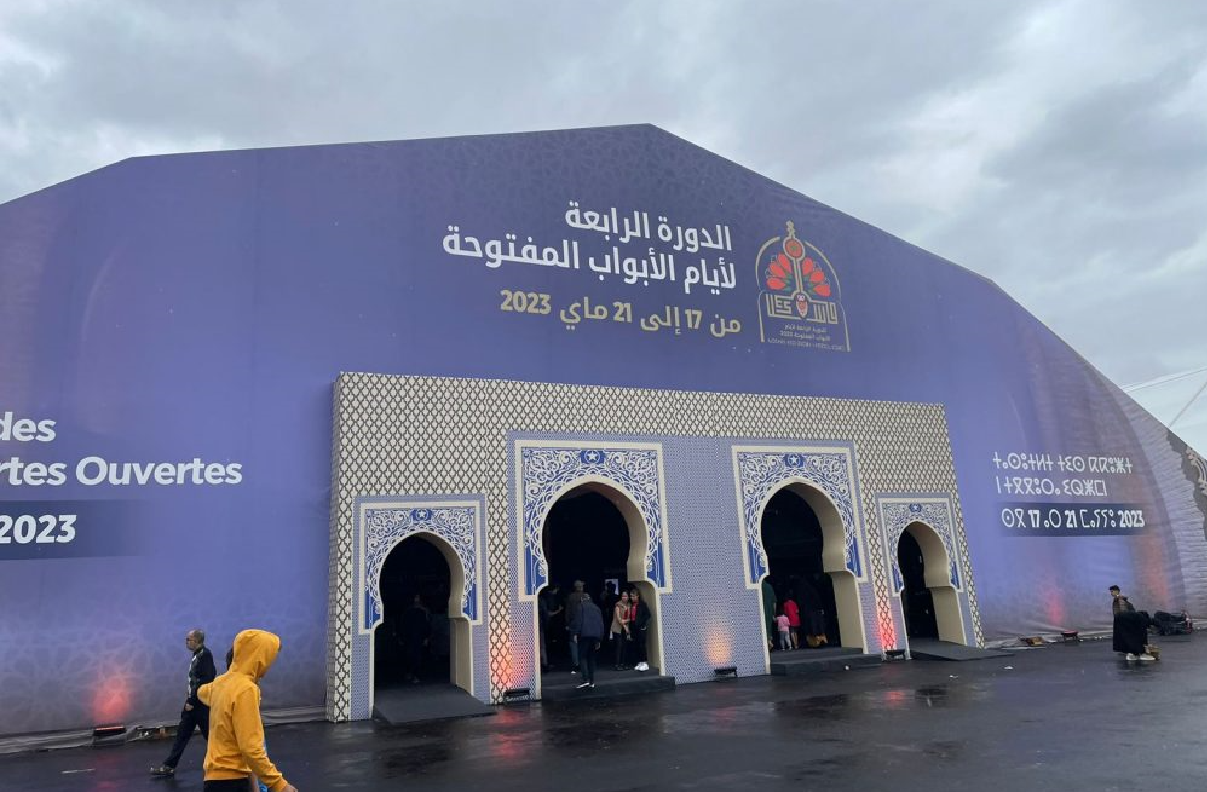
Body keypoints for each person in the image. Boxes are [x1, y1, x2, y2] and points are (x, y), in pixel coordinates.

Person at [197, 629, 297, 792]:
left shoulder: (219, 684)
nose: (269, 664)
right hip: (233, 782)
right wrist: (280, 785)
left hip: (213, 779)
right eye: (269, 657)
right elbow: (251, 749)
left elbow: (201, 692)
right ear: (259, 657)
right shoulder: (246, 689)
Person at [150, 629, 217, 778]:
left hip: (200, 705)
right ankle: (169, 766)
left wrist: (192, 701)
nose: (186, 642)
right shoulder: (197, 655)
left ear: (197, 640)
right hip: (193, 705)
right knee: (182, 735)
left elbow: (207, 679)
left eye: (188, 639)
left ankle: (227, 764)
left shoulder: (205, 655)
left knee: (212, 737)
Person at [1110, 585, 1154, 661]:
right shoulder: (1118, 599)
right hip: (1123, 620)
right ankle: (1131, 652)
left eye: (1112, 591)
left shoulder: (1120, 599)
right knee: (1125, 637)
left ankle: (1134, 652)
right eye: (1111, 591)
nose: (1111, 593)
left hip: (1124, 620)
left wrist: (1122, 618)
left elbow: (1123, 611)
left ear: (1117, 591)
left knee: (1127, 637)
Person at [575, 594, 606, 689]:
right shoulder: (597, 608)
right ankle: (592, 681)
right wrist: (600, 638)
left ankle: (585, 680)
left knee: (582, 657)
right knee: (591, 658)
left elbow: (579, 621)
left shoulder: (580, 607)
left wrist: (576, 634)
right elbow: (601, 624)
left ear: (582, 599)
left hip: (584, 635)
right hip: (595, 636)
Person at [400, 594, 431, 683]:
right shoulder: (408, 612)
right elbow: (403, 625)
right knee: (409, 656)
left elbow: (426, 625)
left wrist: (426, 637)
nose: (416, 601)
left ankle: (416, 675)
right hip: (409, 638)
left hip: (418, 638)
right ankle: (410, 673)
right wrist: (401, 637)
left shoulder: (423, 612)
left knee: (417, 657)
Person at [538, 584, 562, 671]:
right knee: (543, 645)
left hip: (539, 624)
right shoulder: (544, 600)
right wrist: (558, 611)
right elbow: (547, 613)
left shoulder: (542, 599)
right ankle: (544, 664)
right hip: (542, 624)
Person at [565, 581, 588, 673]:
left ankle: (576, 663)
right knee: (583, 642)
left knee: (573, 643)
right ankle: (584, 662)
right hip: (584, 622)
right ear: (581, 587)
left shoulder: (571, 597)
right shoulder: (586, 596)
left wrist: (567, 623)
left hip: (573, 623)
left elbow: (567, 611)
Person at [630, 589, 652, 672]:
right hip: (634, 628)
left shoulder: (642, 604)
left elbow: (648, 615)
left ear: (637, 596)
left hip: (641, 628)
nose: (632, 598)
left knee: (641, 645)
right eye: (631, 596)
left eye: (633, 596)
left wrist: (642, 623)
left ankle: (644, 662)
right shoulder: (632, 605)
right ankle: (640, 662)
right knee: (636, 645)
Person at [611, 590, 631, 670]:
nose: (624, 597)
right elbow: (618, 619)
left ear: (628, 597)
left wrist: (626, 624)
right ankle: (617, 664)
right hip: (617, 628)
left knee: (625, 646)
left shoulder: (629, 605)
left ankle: (624, 664)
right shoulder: (618, 605)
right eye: (623, 596)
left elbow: (630, 618)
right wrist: (624, 624)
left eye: (626, 596)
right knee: (619, 646)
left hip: (625, 628)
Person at [761, 579, 777, 651]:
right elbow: (774, 602)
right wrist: (774, 613)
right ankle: (769, 641)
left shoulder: (758, 587)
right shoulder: (769, 587)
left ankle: (768, 643)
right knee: (768, 627)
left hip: (761, 610)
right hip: (769, 610)